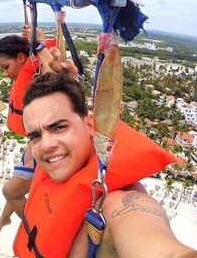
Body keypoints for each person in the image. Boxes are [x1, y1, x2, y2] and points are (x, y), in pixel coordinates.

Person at [13, 72, 197, 257]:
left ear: (90, 125)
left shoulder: (120, 206)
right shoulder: (53, 163)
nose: (46, 145)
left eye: (59, 127)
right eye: (35, 136)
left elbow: (160, 247)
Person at [0, 26, 62, 236]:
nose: (5, 74)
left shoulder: (38, 75)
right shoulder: (31, 64)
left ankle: (36, 231)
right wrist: (34, 41)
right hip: (33, 141)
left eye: (6, 67)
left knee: (10, 190)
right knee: (14, 184)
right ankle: (4, 219)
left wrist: (38, 42)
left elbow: (53, 68)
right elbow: (41, 54)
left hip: (42, 141)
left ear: (21, 58)